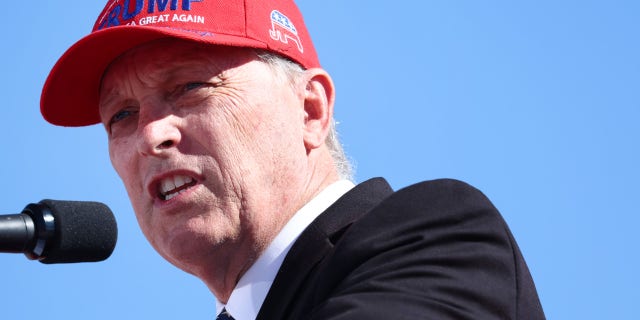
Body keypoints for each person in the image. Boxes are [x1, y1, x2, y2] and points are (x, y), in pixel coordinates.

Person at [40, 0, 545, 319]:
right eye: (122, 115)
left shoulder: (437, 235)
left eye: (190, 87)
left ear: (310, 110)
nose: (152, 134)